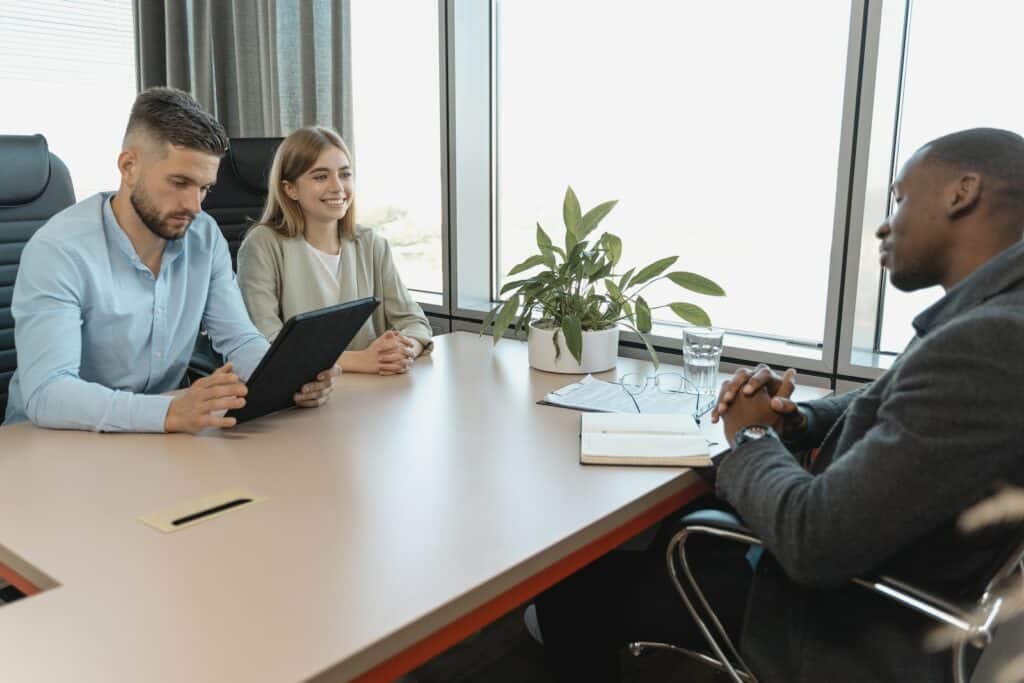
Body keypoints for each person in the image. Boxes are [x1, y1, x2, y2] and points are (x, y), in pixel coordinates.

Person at [535, 127, 1024, 683]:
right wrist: (799, 419)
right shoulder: (994, 316)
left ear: (962, 193)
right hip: (882, 575)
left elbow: (814, 540)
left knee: (571, 587)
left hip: (838, 624)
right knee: (672, 536)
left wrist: (751, 437)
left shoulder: (990, 341)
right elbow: (889, 399)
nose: (886, 225)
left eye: (901, 198)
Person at [4, 87, 340, 433]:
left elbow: (239, 339)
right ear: (128, 166)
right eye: (180, 182)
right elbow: (48, 394)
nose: (195, 206)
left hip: (155, 436)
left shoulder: (204, 236)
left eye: (205, 188)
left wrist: (290, 380)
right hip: (51, 442)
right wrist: (169, 413)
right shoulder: (59, 250)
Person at [236, 126, 432, 375]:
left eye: (345, 174)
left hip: (372, 392)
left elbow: (414, 321)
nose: (338, 186)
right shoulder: (263, 244)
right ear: (290, 189)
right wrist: (361, 361)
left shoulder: (371, 244)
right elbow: (265, 342)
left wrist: (405, 350)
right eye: (320, 176)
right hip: (302, 397)